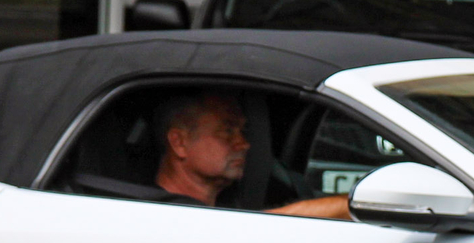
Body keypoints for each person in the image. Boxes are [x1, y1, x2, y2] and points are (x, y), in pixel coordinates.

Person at [150, 90, 351, 218]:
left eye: (242, 132)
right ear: (179, 142)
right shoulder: (153, 213)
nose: (244, 144)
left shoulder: (228, 205)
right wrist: (352, 205)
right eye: (227, 131)